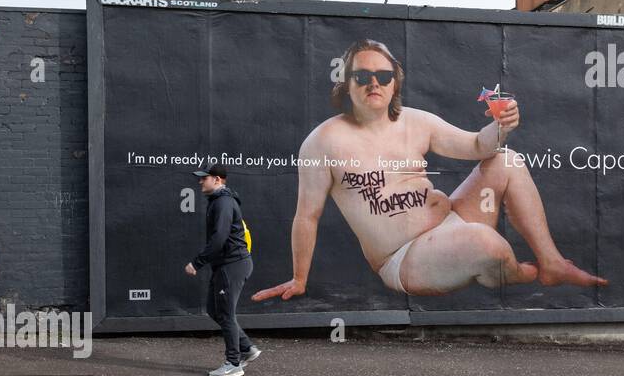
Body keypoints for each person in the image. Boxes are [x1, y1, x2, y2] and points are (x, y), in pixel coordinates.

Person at [251, 38, 605, 303]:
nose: (374, 82)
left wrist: (501, 128)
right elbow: (306, 217)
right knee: (488, 245)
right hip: (405, 258)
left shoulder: (415, 121)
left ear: (395, 83)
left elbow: (477, 147)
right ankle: (504, 272)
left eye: (383, 75)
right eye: (362, 75)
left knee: (505, 160)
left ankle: (552, 263)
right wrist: (299, 279)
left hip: (452, 222)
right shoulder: (322, 142)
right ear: (346, 84)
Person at [186, 163, 261, 376]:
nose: (200, 181)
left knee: (226, 314)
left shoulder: (224, 203)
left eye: (204, 178)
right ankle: (246, 347)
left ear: (217, 180)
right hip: (225, 265)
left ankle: (233, 363)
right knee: (213, 308)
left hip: (233, 265)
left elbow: (219, 238)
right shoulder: (219, 201)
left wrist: (197, 263)